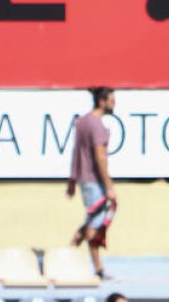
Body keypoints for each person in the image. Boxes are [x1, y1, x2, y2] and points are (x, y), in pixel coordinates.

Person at [67, 87, 116, 279]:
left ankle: (69, 253)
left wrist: (72, 180)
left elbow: (76, 153)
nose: (113, 104)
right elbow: (99, 157)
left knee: (91, 221)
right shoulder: (96, 125)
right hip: (94, 180)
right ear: (102, 101)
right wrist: (109, 186)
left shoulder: (82, 122)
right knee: (95, 225)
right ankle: (98, 268)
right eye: (111, 100)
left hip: (84, 179)